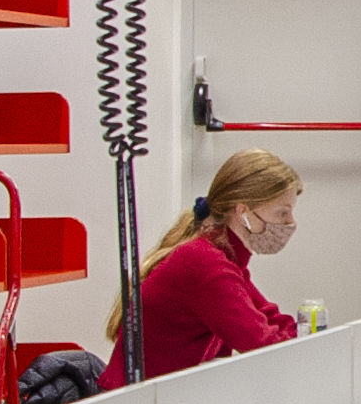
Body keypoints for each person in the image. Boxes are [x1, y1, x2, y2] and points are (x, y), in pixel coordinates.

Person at [120, 148, 308, 376]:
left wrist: (306, 336)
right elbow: (263, 345)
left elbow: (269, 318)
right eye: (282, 213)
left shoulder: (224, 258)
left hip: (163, 397)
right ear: (243, 212)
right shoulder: (207, 265)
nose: (290, 223)